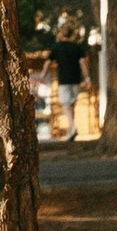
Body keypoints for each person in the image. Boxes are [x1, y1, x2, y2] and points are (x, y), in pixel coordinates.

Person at [48, 15, 87, 144]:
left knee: (65, 105)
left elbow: (48, 62)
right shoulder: (77, 47)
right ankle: (71, 131)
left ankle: (72, 126)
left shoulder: (57, 47)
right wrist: (87, 77)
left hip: (64, 80)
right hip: (76, 79)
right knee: (72, 105)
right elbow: (82, 63)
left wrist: (43, 75)